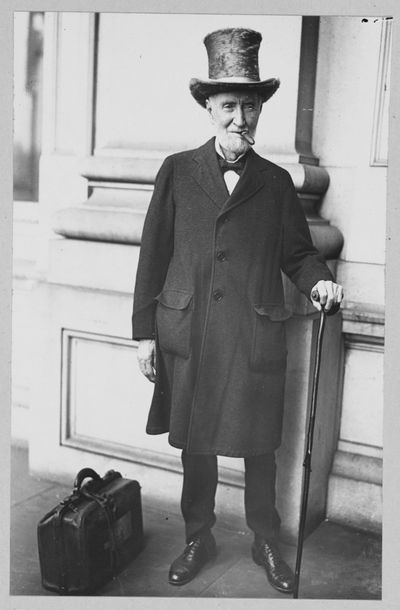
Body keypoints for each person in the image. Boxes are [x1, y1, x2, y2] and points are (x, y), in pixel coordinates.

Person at [132, 27, 343, 595]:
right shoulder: (177, 171)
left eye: (250, 107)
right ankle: (198, 535)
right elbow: (153, 254)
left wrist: (319, 283)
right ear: (208, 108)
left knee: (258, 448)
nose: (240, 119)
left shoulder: (275, 185)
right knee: (195, 444)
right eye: (228, 106)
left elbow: (298, 255)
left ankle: (265, 539)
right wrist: (144, 334)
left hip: (252, 336)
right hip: (189, 332)